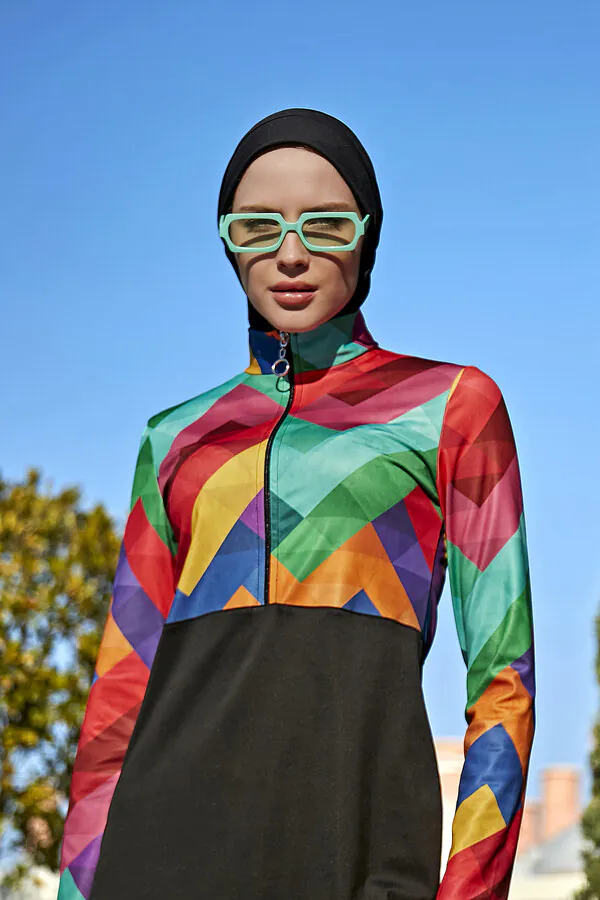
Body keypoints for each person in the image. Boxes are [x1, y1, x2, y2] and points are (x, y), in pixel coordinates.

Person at [57, 108, 535, 900]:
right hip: (158, 856)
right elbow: (118, 698)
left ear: (367, 236)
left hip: (362, 845)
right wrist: (78, 888)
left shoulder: (450, 407)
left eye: (325, 224)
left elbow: (503, 680)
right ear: (228, 243)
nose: (289, 254)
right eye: (257, 226)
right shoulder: (175, 439)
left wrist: (470, 890)